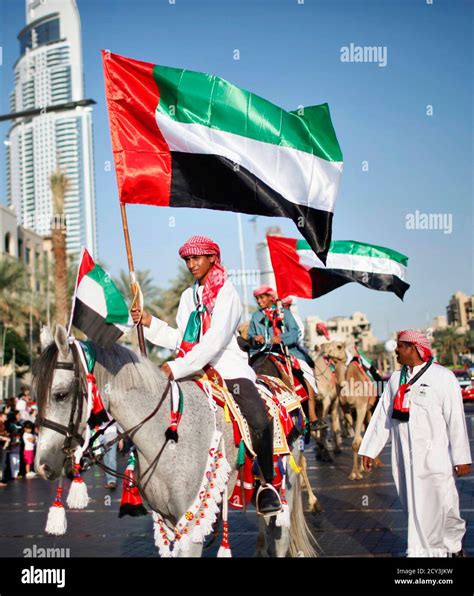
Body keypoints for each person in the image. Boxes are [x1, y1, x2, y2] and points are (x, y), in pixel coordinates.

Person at [131, 235, 282, 515]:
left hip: (228, 370)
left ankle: (266, 483)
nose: (191, 264)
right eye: (187, 259)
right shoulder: (189, 296)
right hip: (195, 370)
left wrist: (176, 368)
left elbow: (213, 341)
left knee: (259, 419)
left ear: (213, 258)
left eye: (196, 258)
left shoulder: (228, 292)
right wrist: (149, 322)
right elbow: (184, 338)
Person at [359, 330, 472, 557]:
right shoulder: (394, 380)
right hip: (405, 462)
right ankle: (422, 554)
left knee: (446, 506)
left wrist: (461, 458)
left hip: (436, 458)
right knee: (416, 507)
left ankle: (453, 545)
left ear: (413, 348)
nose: (396, 350)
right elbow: (383, 416)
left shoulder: (443, 377)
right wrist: (370, 450)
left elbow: (456, 420)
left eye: (400, 346)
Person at [247, 286, 326, 431]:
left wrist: (281, 338)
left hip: (287, 351)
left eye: (262, 297)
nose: (259, 301)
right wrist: (255, 339)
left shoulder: (284, 313)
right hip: (262, 352)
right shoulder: (255, 317)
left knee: (306, 370)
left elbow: (295, 332)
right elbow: (250, 337)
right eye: (257, 298)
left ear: (271, 298)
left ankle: (313, 416)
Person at [0, 411, 11, 487]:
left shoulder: (3, 424)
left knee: (3, 463)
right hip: (1, 445)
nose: (6, 417)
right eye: (5, 416)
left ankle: (1, 479)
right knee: (1, 463)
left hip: (3, 445)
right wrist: (4, 438)